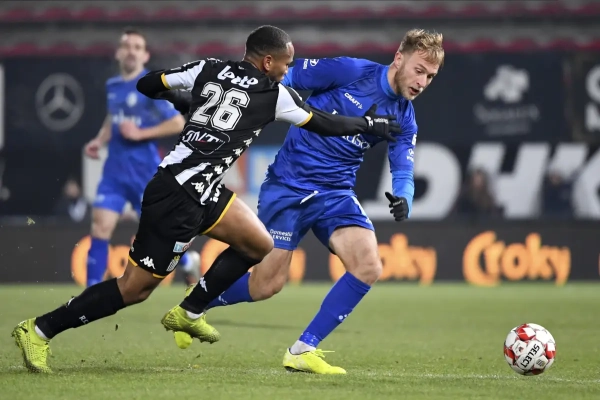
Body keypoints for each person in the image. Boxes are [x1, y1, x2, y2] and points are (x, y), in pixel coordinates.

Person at [11, 25, 400, 374]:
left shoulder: (208, 68)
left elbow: (148, 84)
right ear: (268, 62)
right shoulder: (274, 94)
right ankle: (39, 329)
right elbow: (324, 123)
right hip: (176, 196)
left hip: (202, 188)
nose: (288, 70)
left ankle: (190, 310)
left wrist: (183, 102)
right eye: (286, 63)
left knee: (258, 243)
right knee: (133, 289)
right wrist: (369, 124)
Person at [171, 29, 445, 374]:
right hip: (290, 186)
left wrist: (405, 197)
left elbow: (403, 168)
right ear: (399, 59)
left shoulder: (404, 117)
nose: (422, 82)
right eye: (419, 70)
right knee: (266, 285)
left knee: (369, 266)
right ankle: (195, 302)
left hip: (336, 193)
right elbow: (284, 78)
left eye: (430, 76)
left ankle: (303, 350)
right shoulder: (351, 71)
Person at [83, 28, 186, 287]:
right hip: (114, 173)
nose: (131, 51)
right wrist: (99, 140)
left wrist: (141, 133)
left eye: (137, 47)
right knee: (100, 227)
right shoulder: (113, 86)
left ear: (145, 55)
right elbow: (113, 118)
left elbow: (177, 123)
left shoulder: (150, 86)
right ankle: (90, 293)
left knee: (160, 232)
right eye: (127, 46)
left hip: (144, 173)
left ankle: (189, 262)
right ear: (118, 53)